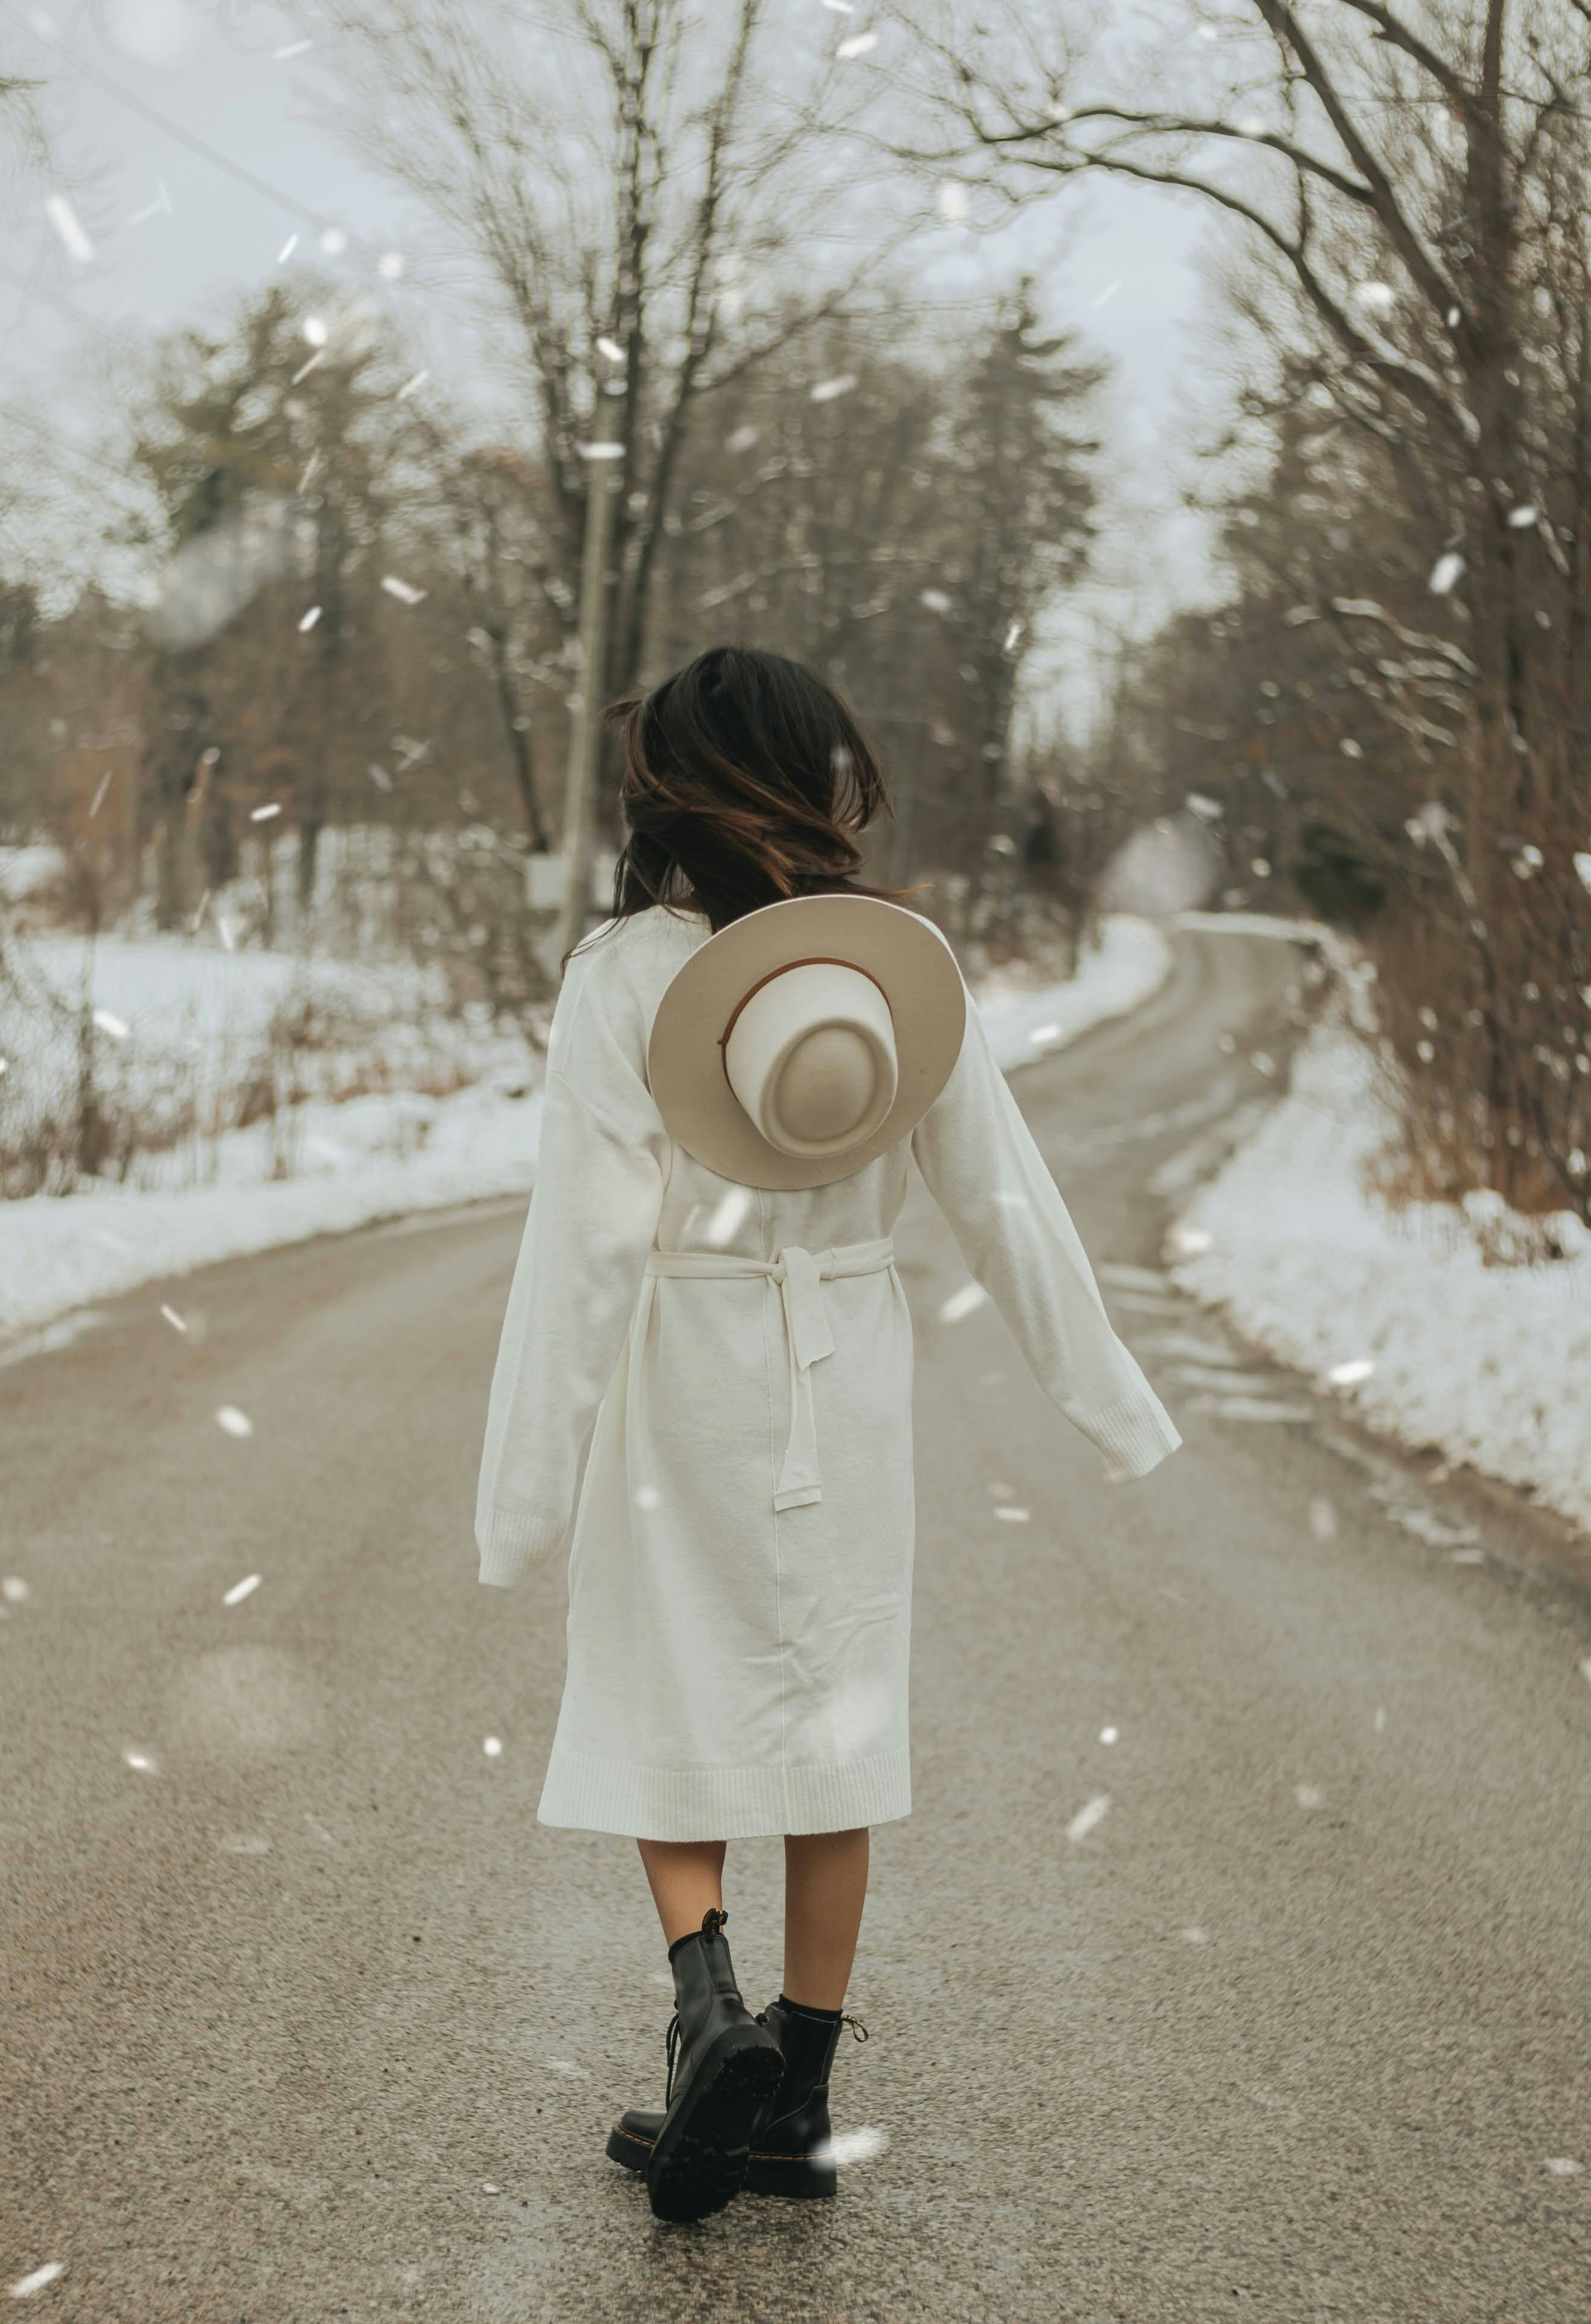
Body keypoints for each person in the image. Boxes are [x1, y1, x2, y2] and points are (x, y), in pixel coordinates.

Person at [472, 644, 1181, 2227]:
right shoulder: (895, 968)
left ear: (663, 786)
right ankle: (797, 2090)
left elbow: (583, 1255)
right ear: (818, 777)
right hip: (844, 1373)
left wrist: (523, 1490)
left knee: (674, 1684)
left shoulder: (625, 978)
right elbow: (1004, 1202)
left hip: (686, 1374)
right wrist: (1111, 1404)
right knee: (835, 1709)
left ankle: (701, 2000)